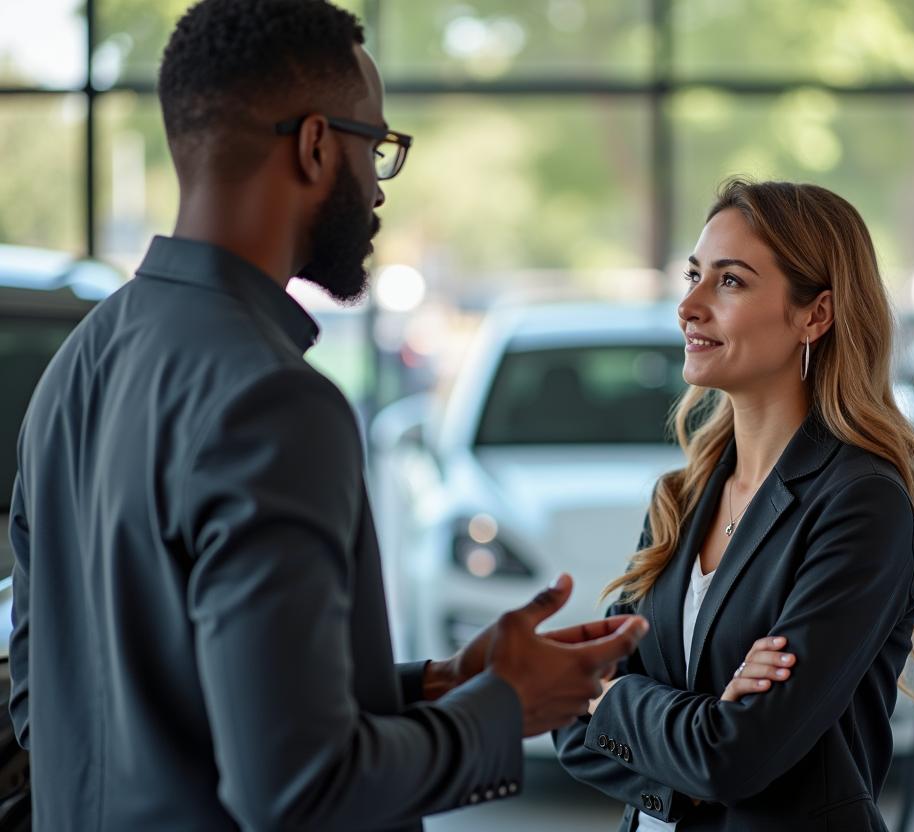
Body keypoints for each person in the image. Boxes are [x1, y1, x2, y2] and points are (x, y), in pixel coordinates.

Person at [6, 1, 647, 829]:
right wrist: (507, 709)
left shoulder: (75, 364)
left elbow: (52, 704)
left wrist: (433, 685)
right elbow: (298, 787)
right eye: (374, 146)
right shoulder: (271, 401)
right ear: (314, 146)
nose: (379, 185)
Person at [554, 179, 914, 831]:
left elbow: (735, 757)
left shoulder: (859, 503)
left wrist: (616, 697)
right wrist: (691, 775)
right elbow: (571, 723)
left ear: (814, 315)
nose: (689, 305)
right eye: (693, 275)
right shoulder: (681, 496)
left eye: (729, 282)